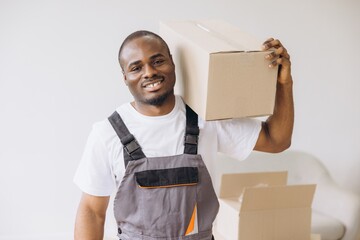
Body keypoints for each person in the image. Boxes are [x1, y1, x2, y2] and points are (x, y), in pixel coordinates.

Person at [74, 30, 294, 240]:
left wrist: (284, 83)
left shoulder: (206, 119)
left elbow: (277, 140)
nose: (149, 72)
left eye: (157, 61)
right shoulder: (107, 133)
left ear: (172, 62)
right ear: (125, 78)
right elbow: (92, 212)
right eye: (136, 67)